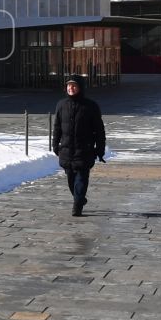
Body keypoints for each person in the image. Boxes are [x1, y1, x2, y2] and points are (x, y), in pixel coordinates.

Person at [52, 74, 106, 218]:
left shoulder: (91, 106)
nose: (71, 88)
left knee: (81, 179)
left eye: (74, 85)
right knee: (71, 180)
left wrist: (99, 149)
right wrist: (55, 144)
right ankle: (79, 198)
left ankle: (77, 206)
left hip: (84, 150)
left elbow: (99, 130)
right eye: (69, 85)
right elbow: (57, 127)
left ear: (80, 87)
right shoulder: (61, 105)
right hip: (67, 150)